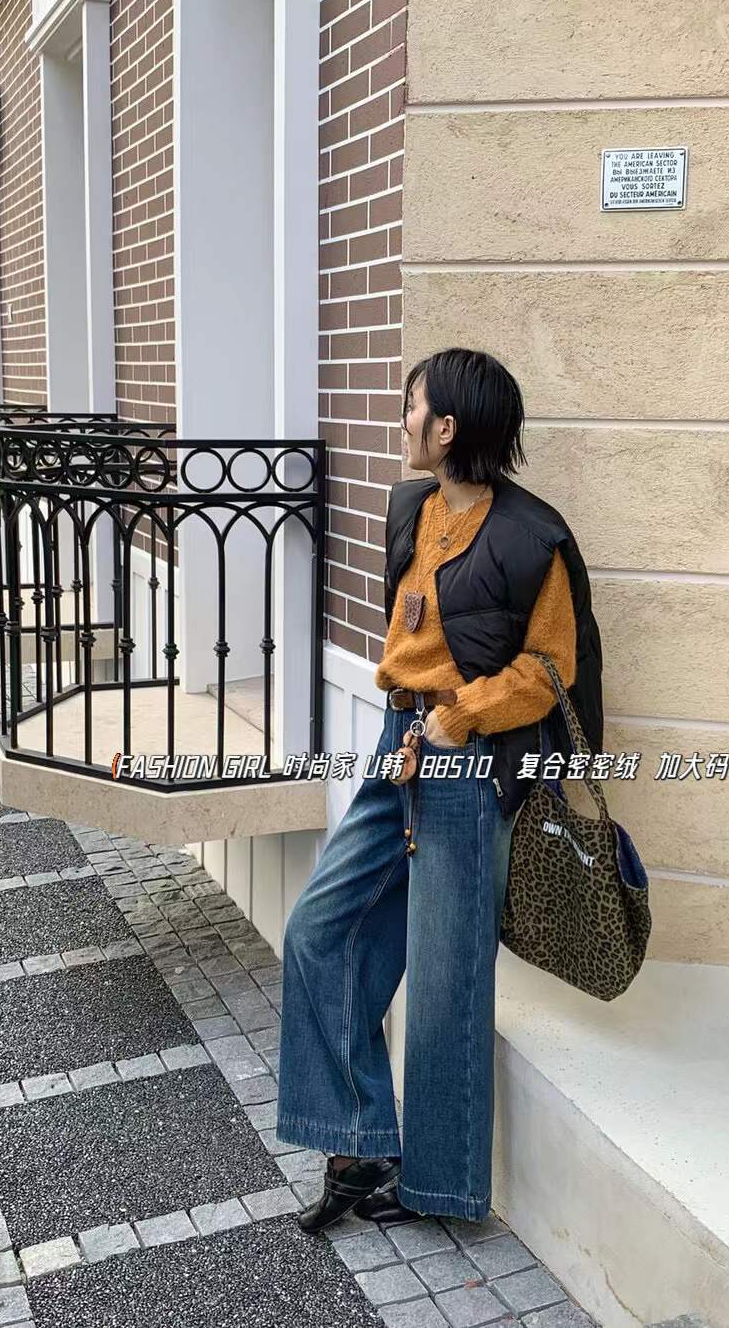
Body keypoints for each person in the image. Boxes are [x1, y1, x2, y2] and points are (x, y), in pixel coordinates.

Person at [275, 346, 603, 1233]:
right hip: (400, 746)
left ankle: (441, 1186)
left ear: (448, 427)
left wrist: (464, 716)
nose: (404, 417)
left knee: (447, 981)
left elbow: (551, 668)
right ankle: (358, 1143)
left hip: (465, 761)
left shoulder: (532, 537)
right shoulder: (410, 509)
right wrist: (418, 722)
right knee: (320, 930)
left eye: (414, 403)